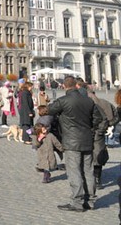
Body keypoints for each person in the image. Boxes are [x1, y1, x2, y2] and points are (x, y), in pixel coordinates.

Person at [47, 75, 103, 212]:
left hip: (71, 141)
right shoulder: (88, 101)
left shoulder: (63, 100)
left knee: (74, 171)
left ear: (64, 86)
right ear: (76, 86)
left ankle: (77, 202)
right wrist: (90, 129)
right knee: (88, 171)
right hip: (87, 139)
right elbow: (98, 118)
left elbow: (49, 110)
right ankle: (90, 201)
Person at [87, 86, 114, 190]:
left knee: (95, 156)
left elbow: (110, 118)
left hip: (95, 134)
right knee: (97, 156)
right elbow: (114, 117)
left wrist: (101, 130)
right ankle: (96, 179)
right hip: (97, 134)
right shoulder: (102, 102)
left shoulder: (98, 103)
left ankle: (96, 179)